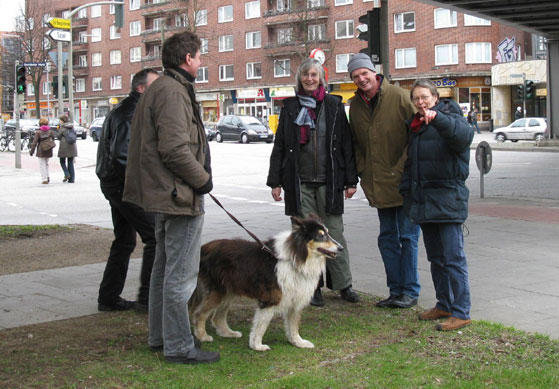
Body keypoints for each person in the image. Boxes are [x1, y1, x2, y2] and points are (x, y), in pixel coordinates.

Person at [122, 31, 218, 364]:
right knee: (180, 274)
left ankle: (161, 337)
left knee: (164, 270)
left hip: (167, 194)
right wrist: (202, 180)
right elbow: (175, 150)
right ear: (187, 58)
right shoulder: (173, 91)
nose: (201, 60)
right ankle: (178, 345)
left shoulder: (161, 87)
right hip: (178, 196)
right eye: (199, 55)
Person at [267, 58, 360, 307]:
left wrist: (351, 180)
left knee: (335, 233)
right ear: (300, 79)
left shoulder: (333, 105)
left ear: (321, 79)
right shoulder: (289, 107)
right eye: (306, 75)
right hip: (299, 183)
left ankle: (344, 285)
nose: (310, 79)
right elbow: (280, 146)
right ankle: (313, 287)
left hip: (330, 183)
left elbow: (346, 146)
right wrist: (275, 182)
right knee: (306, 240)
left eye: (314, 75)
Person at [347, 53, 420, 309]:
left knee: (408, 237)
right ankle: (395, 290)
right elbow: (356, 143)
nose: (361, 79)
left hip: (404, 181)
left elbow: (417, 135)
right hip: (378, 182)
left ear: (374, 72)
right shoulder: (355, 106)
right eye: (356, 76)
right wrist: (363, 170)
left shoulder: (400, 97)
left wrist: (403, 168)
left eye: (364, 73)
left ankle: (410, 291)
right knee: (388, 237)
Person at [400, 79, 474, 331]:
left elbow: (462, 137)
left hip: (447, 200)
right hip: (424, 201)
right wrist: (406, 190)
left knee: (453, 259)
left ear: (435, 97)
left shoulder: (450, 116)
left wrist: (437, 118)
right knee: (436, 259)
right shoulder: (417, 126)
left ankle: (461, 311)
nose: (420, 102)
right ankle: (444, 303)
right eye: (416, 99)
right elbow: (412, 163)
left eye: (425, 97)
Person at [96, 69, 160, 313]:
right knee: (154, 236)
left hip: (115, 184)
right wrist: (143, 187)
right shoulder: (131, 114)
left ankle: (109, 297)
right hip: (124, 186)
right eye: (155, 85)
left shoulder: (128, 110)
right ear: (141, 88)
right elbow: (123, 156)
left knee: (124, 241)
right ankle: (147, 299)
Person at [29, 117, 55, 184]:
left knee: (42, 164)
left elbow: (34, 143)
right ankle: (47, 176)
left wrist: (32, 151)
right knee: (46, 164)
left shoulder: (38, 132)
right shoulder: (51, 131)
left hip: (41, 150)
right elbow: (53, 139)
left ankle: (44, 179)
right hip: (48, 149)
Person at [56, 115, 77, 183]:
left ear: (62, 121)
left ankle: (67, 174)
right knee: (70, 162)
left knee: (62, 161)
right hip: (72, 146)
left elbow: (58, 136)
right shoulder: (72, 127)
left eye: (60, 120)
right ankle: (72, 179)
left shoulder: (62, 127)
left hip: (64, 147)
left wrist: (58, 129)